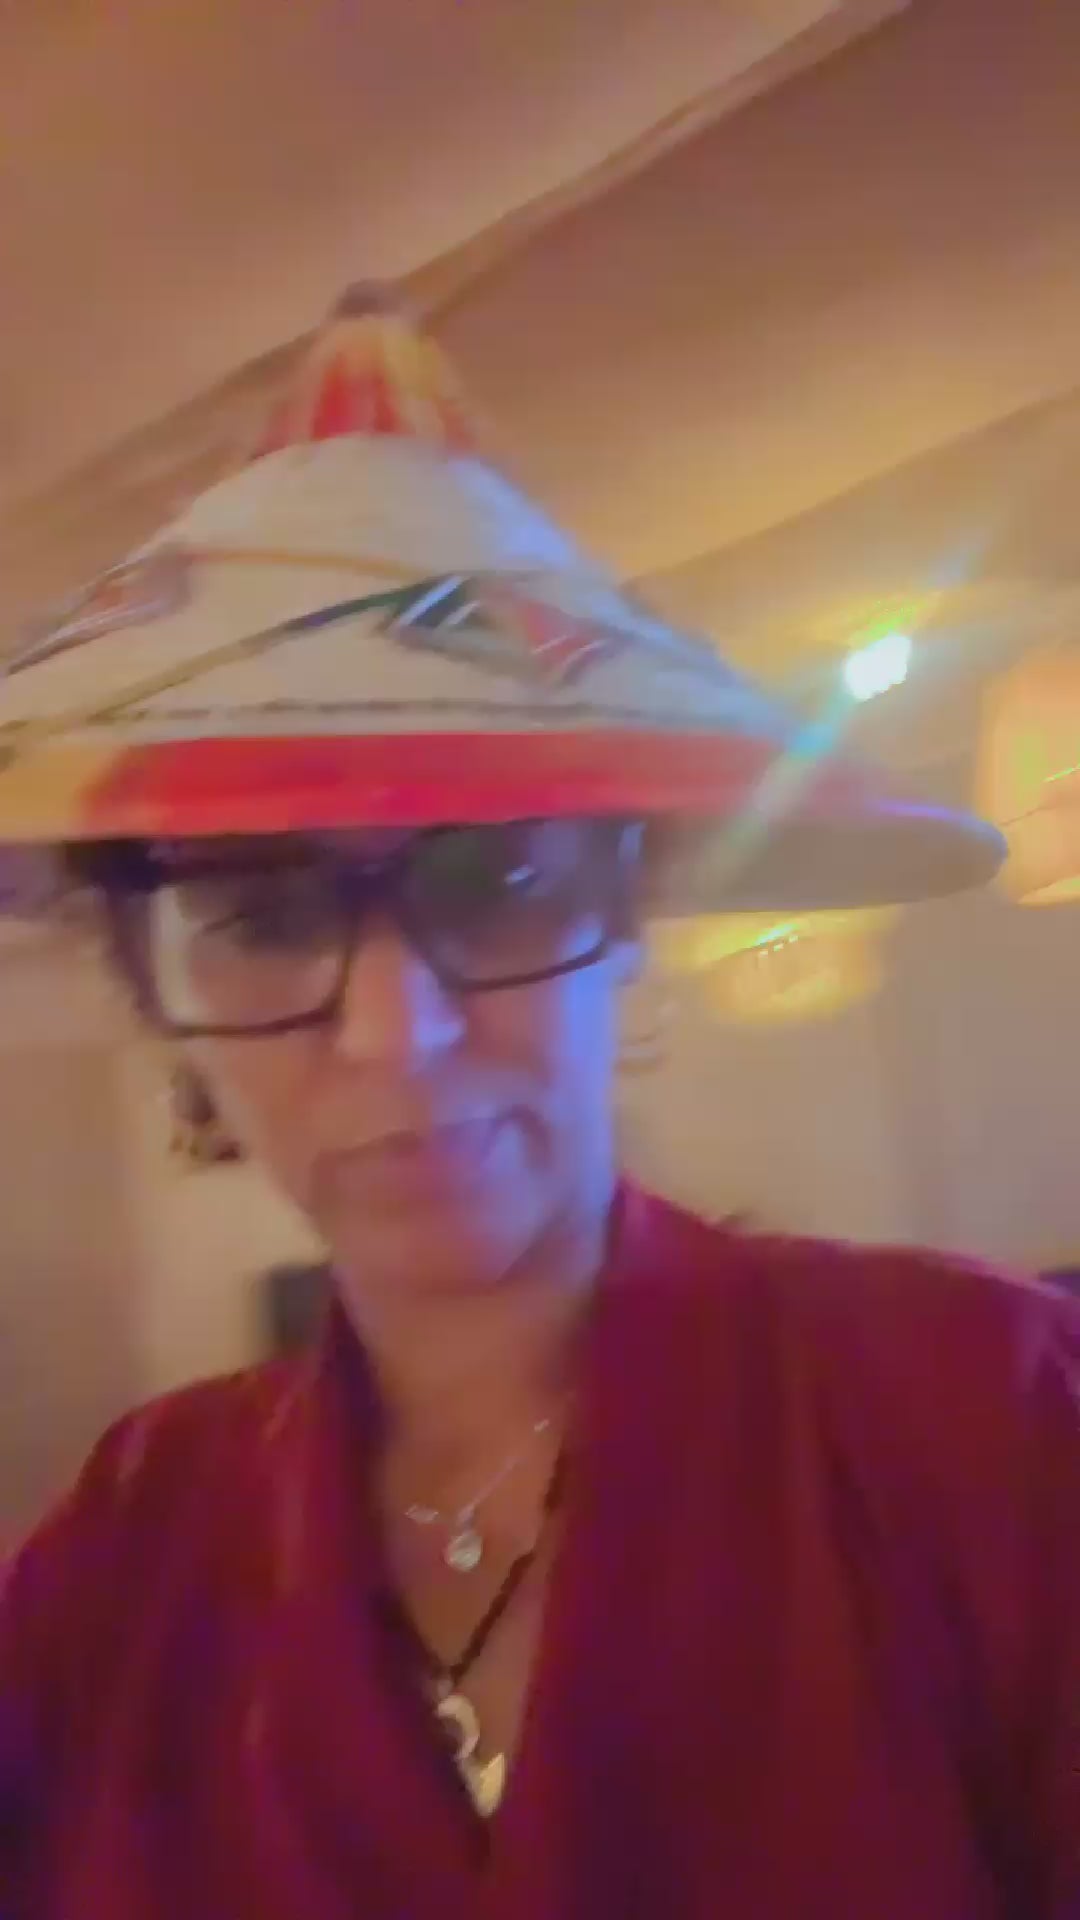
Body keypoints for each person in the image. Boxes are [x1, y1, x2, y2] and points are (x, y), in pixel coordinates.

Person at [0, 286, 1075, 1920]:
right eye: (265, 917)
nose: (397, 1032)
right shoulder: (133, 1533)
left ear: (623, 923)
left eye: (497, 884)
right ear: (162, 1001)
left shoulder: (989, 1413)